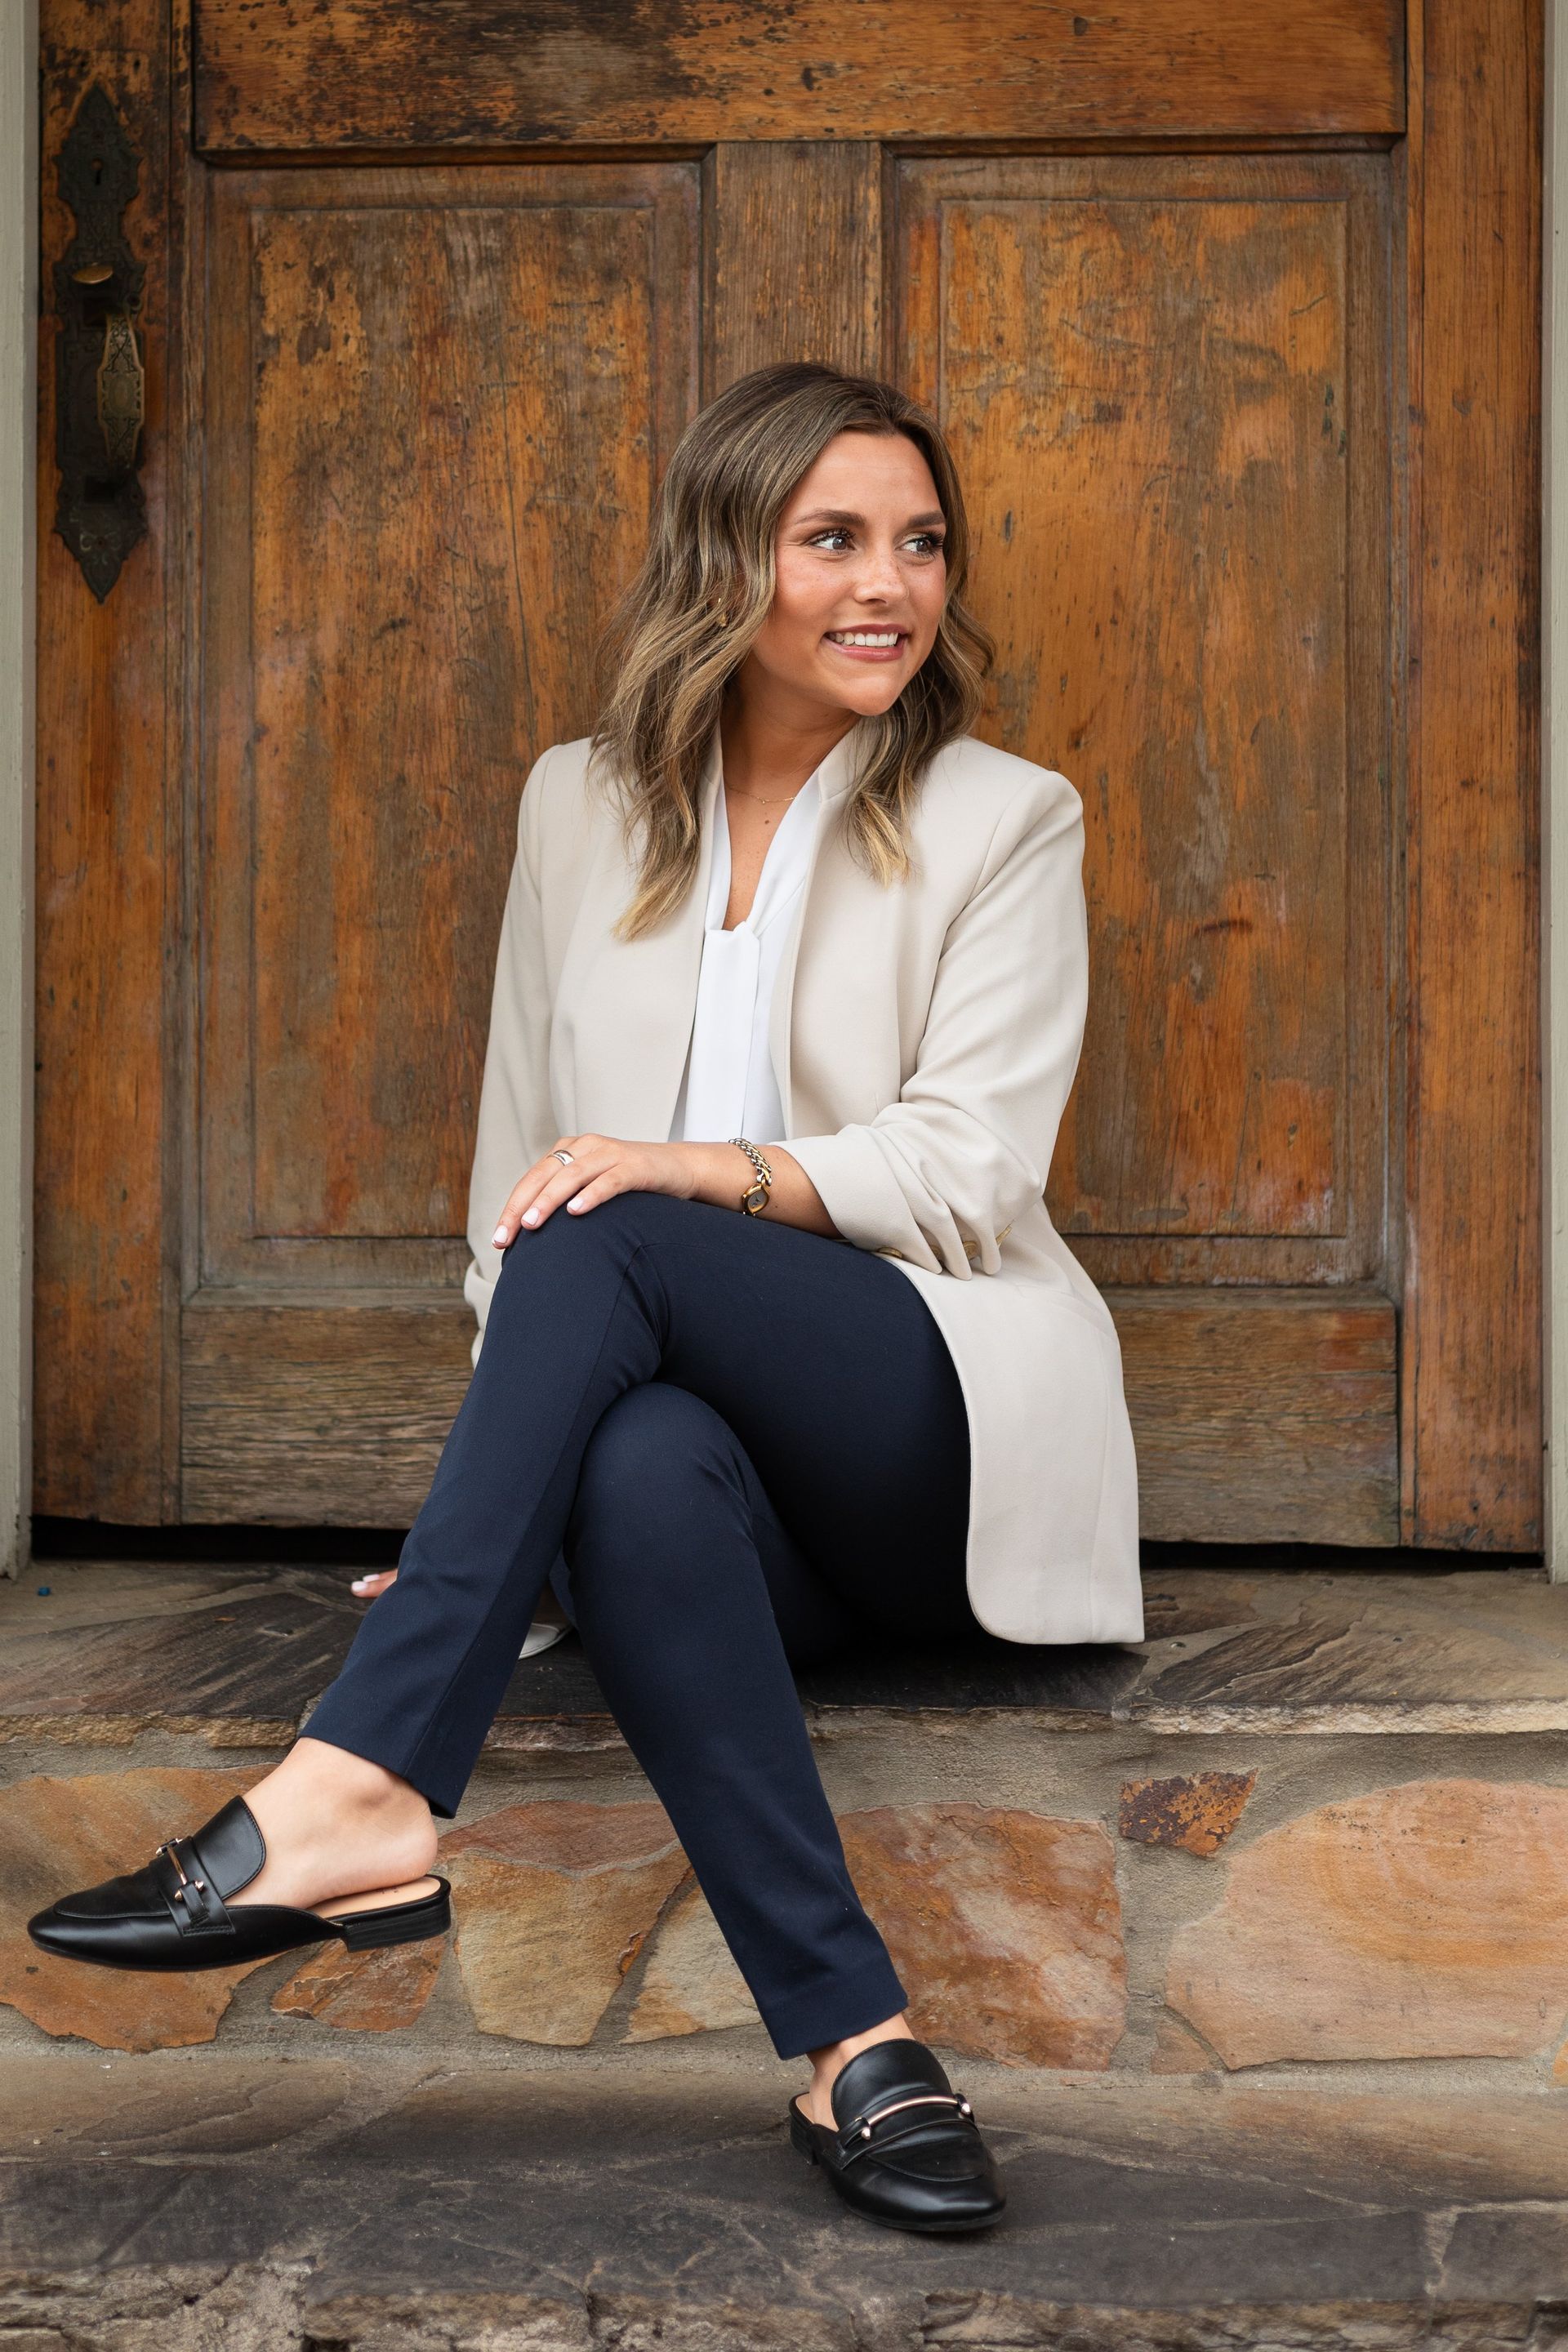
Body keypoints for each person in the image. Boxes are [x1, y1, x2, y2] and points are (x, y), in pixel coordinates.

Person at [29, 361, 1142, 2235]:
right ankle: (855, 2043)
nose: (890, 585)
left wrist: (692, 1172)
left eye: (921, 543)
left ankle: (362, 1780)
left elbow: (970, 1178)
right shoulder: (579, 807)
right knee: (626, 1454)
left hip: (929, 1420)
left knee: (610, 1214)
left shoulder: (1003, 816)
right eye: (833, 539)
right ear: (727, 560)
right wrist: (516, 1498)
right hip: (720, 1499)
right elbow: (512, 1182)